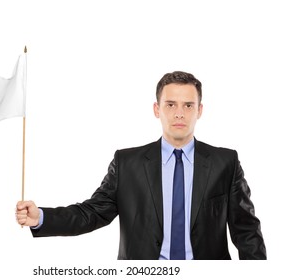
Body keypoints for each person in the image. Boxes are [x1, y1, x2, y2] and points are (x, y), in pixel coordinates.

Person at [16, 71, 266, 260]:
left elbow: (246, 231)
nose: (179, 113)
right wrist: (42, 217)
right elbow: (92, 213)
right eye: (170, 105)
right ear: (157, 109)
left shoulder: (225, 162)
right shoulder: (127, 164)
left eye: (188, 105)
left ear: (199, 110)